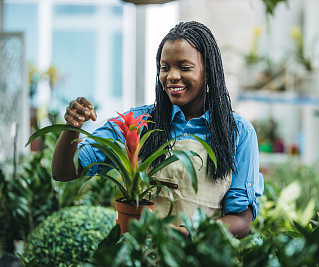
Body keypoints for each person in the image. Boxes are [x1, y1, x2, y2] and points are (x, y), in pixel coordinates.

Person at [52, 21, 263, 239]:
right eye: (165, 67)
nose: (172, 75)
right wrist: (72, 129)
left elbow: (240, 220)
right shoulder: (137, 122)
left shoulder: (239, 132)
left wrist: (184, 235)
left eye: (184, 67)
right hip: (139, 256)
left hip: (199, 255)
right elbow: (64, 171)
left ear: (208, 70)